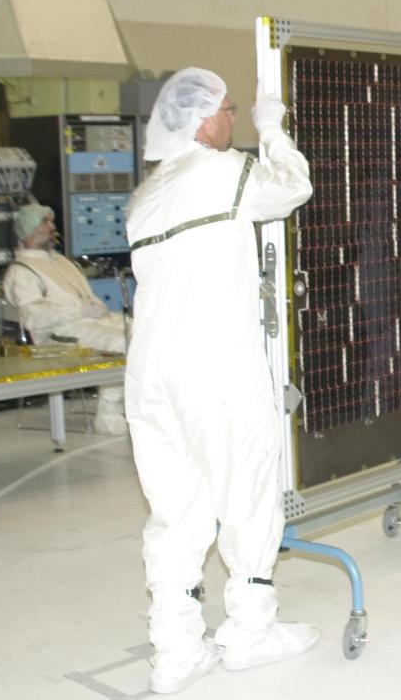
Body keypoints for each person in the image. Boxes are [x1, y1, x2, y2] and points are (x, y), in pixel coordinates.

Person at [124, 68, 316, 693]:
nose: (233, 119)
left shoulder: (148, 193)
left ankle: (176, 648)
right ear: (206, 119)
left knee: (174, 509)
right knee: (247, 490)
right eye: (231, 110)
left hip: (151, 376)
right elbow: (291, 189)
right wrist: (274, 131)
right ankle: (251, 630)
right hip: (216, 368)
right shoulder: (222, 171)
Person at [4, 203, 129, 434]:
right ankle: (108, 414)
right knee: (123, 343)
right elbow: (32, 316)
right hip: (58, 334)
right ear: (29, 230)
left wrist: (95, 306)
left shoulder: (61, 262)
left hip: (89, 323)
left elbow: (84, 297)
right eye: (45, 222)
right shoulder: (22, 270)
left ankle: (139, 405)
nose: (53, 226)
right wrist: (78, 311)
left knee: (145, 331)